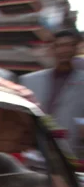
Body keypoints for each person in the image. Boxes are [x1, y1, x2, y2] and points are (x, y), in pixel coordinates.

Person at [20, 29, 84, 159]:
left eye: (69, 45)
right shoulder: (29, 80)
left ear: (77, 48)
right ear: (52, 49)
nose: (64, 50)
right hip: (33, 151)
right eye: (59, 46)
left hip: (69, 155)